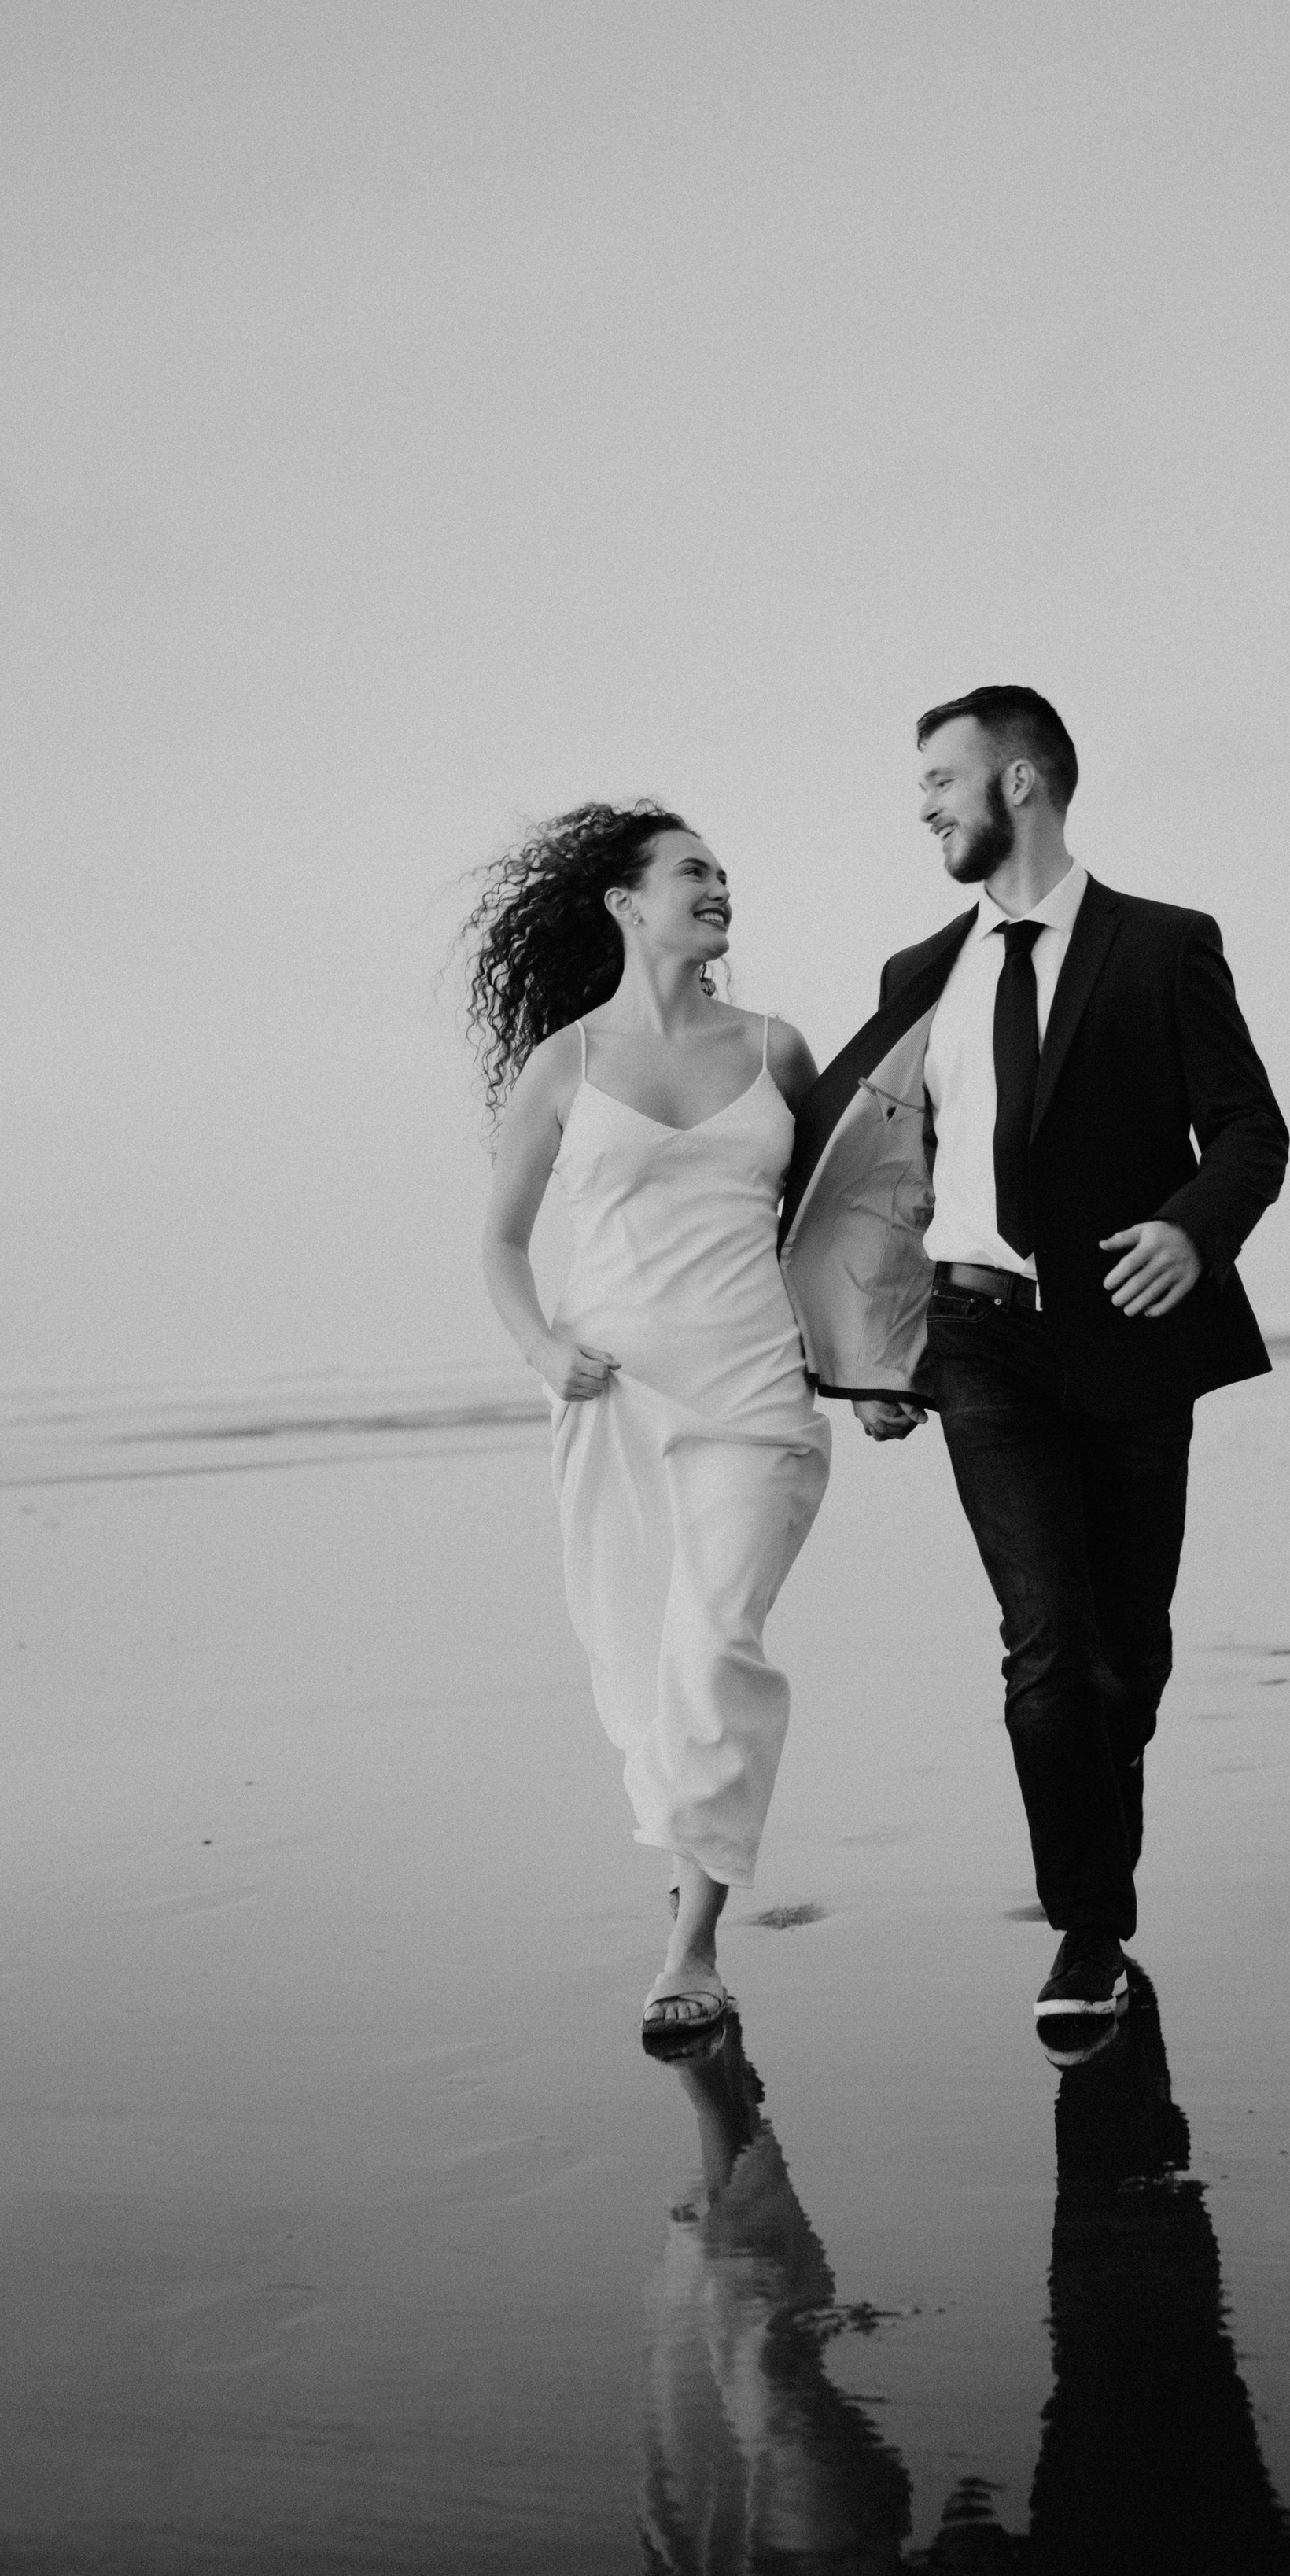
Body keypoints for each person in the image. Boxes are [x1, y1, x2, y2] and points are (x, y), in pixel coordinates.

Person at [779, 689, 1288, 2024]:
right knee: (1046, 1650)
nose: (925, 809)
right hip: (980, 1344)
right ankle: (1088, 1931)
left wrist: (1193, 1231)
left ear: (1019, 780)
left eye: (940, 781)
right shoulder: (918, 973)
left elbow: (1251, 1133)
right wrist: (875, 1357)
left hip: (1130, 1333)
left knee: (1127, 1658)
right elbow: (888, 1181)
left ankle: (1098, 1845)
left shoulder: (1165, 945)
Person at [471, 804, 831, 2038]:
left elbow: (845, 1215)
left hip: (757, 1394)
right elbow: (501, 1243)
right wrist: (541, 1347)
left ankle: (692, 1947)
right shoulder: (565, 1066)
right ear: (626, 904)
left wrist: (884, 1362)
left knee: (716, 1647)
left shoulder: (777, 1050)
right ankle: (690, 1857)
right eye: (692, 872)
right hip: (614, 1397)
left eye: (724, 872)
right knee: (644, 1667)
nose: (719, 886)